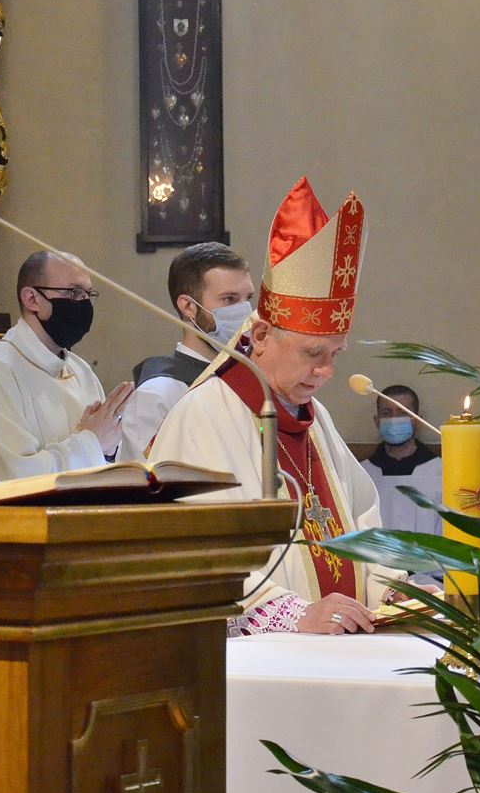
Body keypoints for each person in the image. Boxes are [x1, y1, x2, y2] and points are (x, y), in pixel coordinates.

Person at [150, 177, 403, 636]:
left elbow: (361, 512)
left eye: (334, 355)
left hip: (337, 646)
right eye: (313, 354)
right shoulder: (206, 414)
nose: (325, 372)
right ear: (262, 336)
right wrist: (293, 615)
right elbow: (195, 554)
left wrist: (388, 590)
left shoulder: (313, 417)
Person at [0, 251, 133, 479]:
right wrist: (92, 442)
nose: (84, 303)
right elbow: (14, 476)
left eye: (88, 294)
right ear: (31, 299)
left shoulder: (81, 371)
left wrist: (109, 447)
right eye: (74, 292)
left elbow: (105, 463)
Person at [118, 242, 254, 462]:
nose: (244, 311)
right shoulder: (157, 396)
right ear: (189, 307)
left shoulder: (250, 383)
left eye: (247, 299)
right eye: (229, 299)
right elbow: (142, 485)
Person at [359, 385, 444, 537]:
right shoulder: (362, 473)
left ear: (418, 420)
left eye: (402, 413)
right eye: (387, 413)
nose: (394, 419)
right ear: (377, 421)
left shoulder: (441, 472)